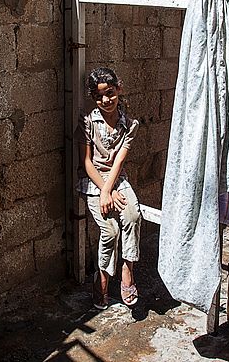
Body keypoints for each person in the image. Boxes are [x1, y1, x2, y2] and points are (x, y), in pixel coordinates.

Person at [76, 67, 141, 309]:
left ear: (118, 89)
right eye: (100, 96)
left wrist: (111, 190)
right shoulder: (87, 122)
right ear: (94, 97)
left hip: (117, 178)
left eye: (110, 93)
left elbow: (120, 161)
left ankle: (128, 268)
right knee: (110, 231)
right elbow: (85, 162)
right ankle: (102, 277)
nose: (106, 100)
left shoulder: (130, 125)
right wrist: (105, 191)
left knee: (133, 215)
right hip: (93, 181)